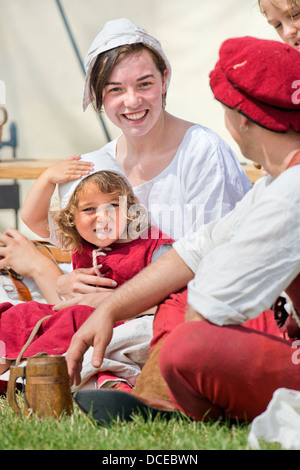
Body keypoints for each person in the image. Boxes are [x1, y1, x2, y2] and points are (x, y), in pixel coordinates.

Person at [65, 36, 300, 424]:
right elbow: (196, 248)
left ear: (240, 118)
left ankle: (166, 403)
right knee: (179, 293)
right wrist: (111, 307)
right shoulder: (276, 184)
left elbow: (215, 303)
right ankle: (157, 397)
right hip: (275, 319)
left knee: (188, 347)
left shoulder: (289, 191)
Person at [16, 17, 251, 308]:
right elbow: (59, 233)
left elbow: (215, 265)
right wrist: (64, 282)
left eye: (144, 84)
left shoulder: (202, 151)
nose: (132, 101)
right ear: (99, 95)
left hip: (183, 312)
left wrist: (117, 302)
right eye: (115, 89)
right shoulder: (98, 166)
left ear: (164, 80)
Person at [0, 154, 173, 395]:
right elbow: (32, 217)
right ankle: (7, 363)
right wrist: (49, 178)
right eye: (89, 209)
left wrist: (113, 303)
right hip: (73, 316)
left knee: (79, 321)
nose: (103, 216)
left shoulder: (151, 245)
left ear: (129, 206)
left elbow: (171, 296)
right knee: (20, 314)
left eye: (113, 205)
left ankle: (93, 380)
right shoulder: (79, 241)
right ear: (71, 219)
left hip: (122, 322)